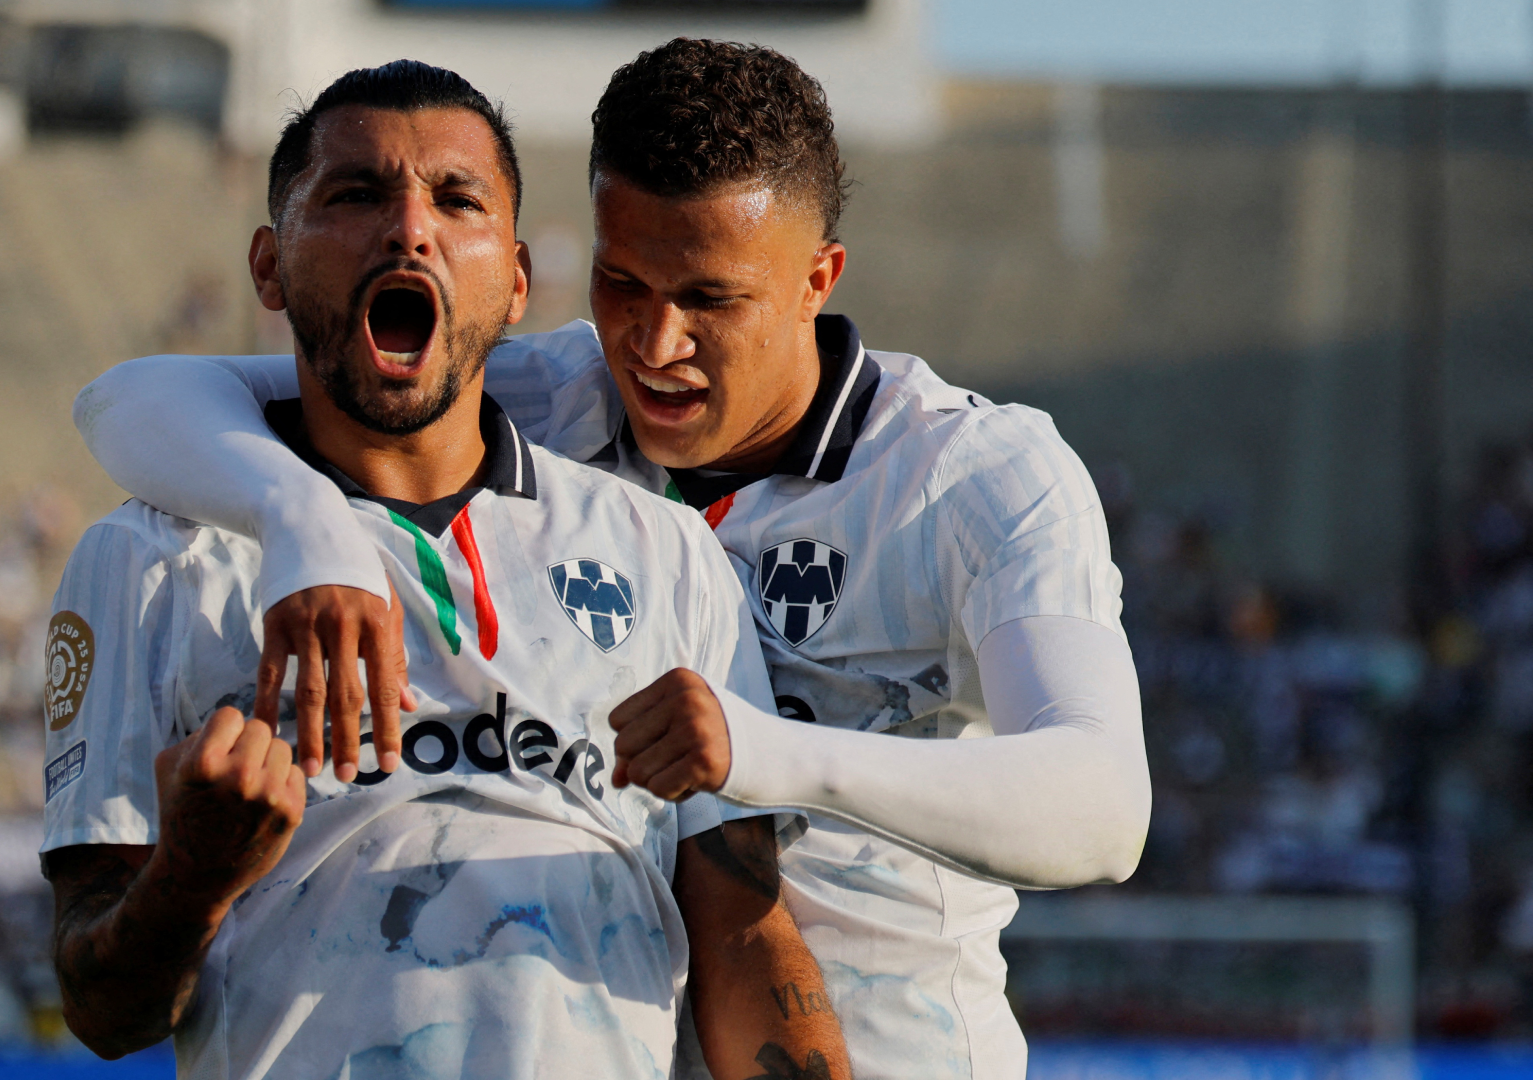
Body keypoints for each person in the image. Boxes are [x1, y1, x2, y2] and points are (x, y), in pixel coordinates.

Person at [75, 40, 1150, 1080]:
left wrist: (759, 752)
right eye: (622, 284)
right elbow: (136, 398)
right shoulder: (538, 402)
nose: (654, 342)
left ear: (818, 278)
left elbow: (1100, 809)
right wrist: (300, 518)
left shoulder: (971, 475)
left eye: (710, 301)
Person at [39, 60, 849, 1080]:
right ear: (270, 267)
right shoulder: (151, 560)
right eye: (355, 195)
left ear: (514, 279)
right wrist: (195, 872)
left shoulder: (663, 549)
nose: (409, 229)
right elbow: (101, 1009)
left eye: (455, 199)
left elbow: (743, 932)